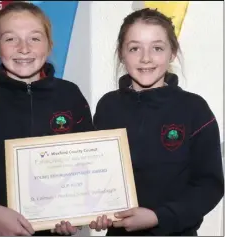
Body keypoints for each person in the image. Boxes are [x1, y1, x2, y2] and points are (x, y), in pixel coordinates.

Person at [0, 2, 93, 236]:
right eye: (10, 39)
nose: (23, 48)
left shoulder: (70, 96)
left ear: (49, 45)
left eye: (35, 38)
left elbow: (88, 167)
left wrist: (79, 211)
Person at [88, 8, 224, 236]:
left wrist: (158, 217)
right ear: (122, 53)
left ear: (172, 53)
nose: (146, 58)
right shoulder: (107, 107)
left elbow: (209, 185)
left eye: (157, 48)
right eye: (134, 48)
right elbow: (94, 174)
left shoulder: (194, 109)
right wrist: (93, 211)